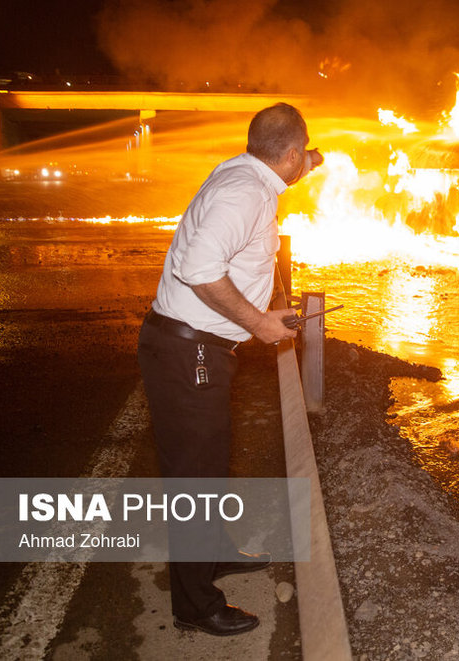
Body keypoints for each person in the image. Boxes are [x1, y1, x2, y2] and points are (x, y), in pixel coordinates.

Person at [137, 103, 322, 635]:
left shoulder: (244, 170)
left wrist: (318, 156)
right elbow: (197, 269)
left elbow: (297, 158)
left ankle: (214, 552)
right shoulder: (246, 194)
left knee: (210, 464)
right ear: (287, 155)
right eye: (302, 155)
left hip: (193, 349)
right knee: (194, 481)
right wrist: (259, 322)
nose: (304, 163)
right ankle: (195, 608)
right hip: (190, 351)